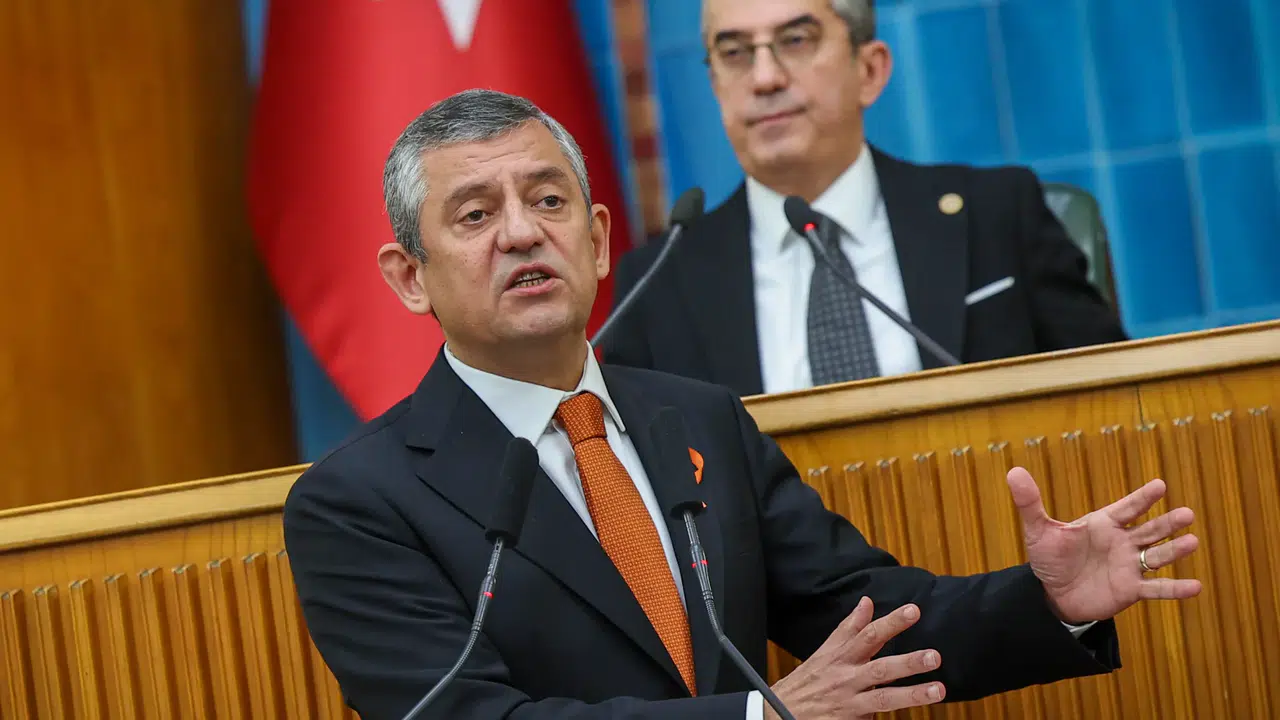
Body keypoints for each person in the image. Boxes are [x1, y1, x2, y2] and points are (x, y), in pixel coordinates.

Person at [282, 88, 1201, 720]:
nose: (522, 232)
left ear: (597, 242)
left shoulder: (697, 419)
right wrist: (762, 717)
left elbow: (867, 617)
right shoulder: (358, 503)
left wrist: (1046, 602)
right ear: (409, 277)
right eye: (476, 215)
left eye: (549, 199)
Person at [601, 0, 1129, 397]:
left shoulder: (997, 214)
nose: (764, 79)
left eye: (796, 40)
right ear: (715, 84)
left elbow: (1116, 398)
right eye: (735, 53)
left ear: (869, 70)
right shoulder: (658, 287)